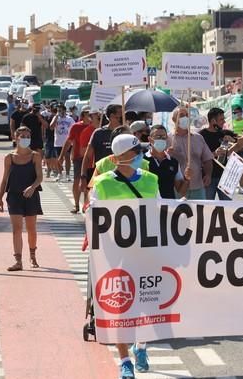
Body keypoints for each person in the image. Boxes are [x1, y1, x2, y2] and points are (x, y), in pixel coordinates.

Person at [91, 134, 159, 378]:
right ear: (122, 157)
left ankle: (141, 347)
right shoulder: (102, 184)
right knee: (119, 308)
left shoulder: (152, 180)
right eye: (136, 151)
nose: (141, 155)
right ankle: (124, 362)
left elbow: (162, 213)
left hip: (146, 254)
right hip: (115, 257)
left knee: (148, 305)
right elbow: (93, 218)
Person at [0, 126, 43, 271]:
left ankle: (33, 255)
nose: (25, 139)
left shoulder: (35, 156)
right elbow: (4, 179)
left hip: (31, 196)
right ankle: (18, 260)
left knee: (31, 229)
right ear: (16, 138)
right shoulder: (9, 157)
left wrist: (32, 187)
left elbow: (40, 176)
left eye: (27, 136)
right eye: (22, 136)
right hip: (14, 196)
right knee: (16, 229)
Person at [199, 107, 243, 200]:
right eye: (221, 119)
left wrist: (233, 140)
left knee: (227, 207)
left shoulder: (224, 133)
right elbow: (198, 157)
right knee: (207, 207)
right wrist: (214, 154)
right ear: (213, 121)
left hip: (225, 177)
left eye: (224, 119)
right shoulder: (201, 135)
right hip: (208, 177)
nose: (224, 122)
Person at [168, 107, 213, 200]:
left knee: (201, 213)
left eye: (187, 115)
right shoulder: (168, 139)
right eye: (181, 115)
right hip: (177, 188)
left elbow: (207, 159)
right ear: (173, 119)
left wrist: (208, 174)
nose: (185, 117)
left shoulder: (198, 138)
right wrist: (167, 154)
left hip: (198, 187)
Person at [81, 104, 123, 191]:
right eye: (120, 115)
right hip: (101, 177)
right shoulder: (98, 133)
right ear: (111, 116)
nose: (123, 117)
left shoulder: (125, 133)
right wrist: (83, 176)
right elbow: (87, 157)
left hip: (122, 179)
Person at [59, 106, 93, 213]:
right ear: (83, 115)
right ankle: (76, 205)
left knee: (90, 183)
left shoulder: (97, 127)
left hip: (92, 159)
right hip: (79, 158)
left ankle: (86, 205)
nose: (91, 116)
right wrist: (61, 157)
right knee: (78, 181)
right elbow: (69, 142)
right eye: (88, 114)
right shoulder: (76, 127)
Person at [146, 124, 190, 198]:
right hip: (148, 206)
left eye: (164, 137)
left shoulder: (174, 162)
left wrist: (187, 179)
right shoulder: (142, 160)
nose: (161, 139)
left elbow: (181, 191)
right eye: (158, 137)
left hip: (168, 207)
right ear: (150, 139)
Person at [50, 104, 75, 182]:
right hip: (58, 142)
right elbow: (51, 127)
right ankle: (60, 174)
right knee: (59, 159)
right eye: (58, 110)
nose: (59, 112)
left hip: (67, 141)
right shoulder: (55, 118)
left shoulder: (69, 119)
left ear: (64, 110)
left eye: (60, 110)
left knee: (67, 157)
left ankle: (67, 174)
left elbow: (74, 128)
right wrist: (56, 117)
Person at [43, 105, 59, 178]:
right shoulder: (47, 118)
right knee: (48, 156)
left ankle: (54, 169)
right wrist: (43, 135)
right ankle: (49, 169)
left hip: (56, 139)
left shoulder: (60, 119)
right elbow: (45, 127)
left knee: (54, 156)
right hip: (49, 138)